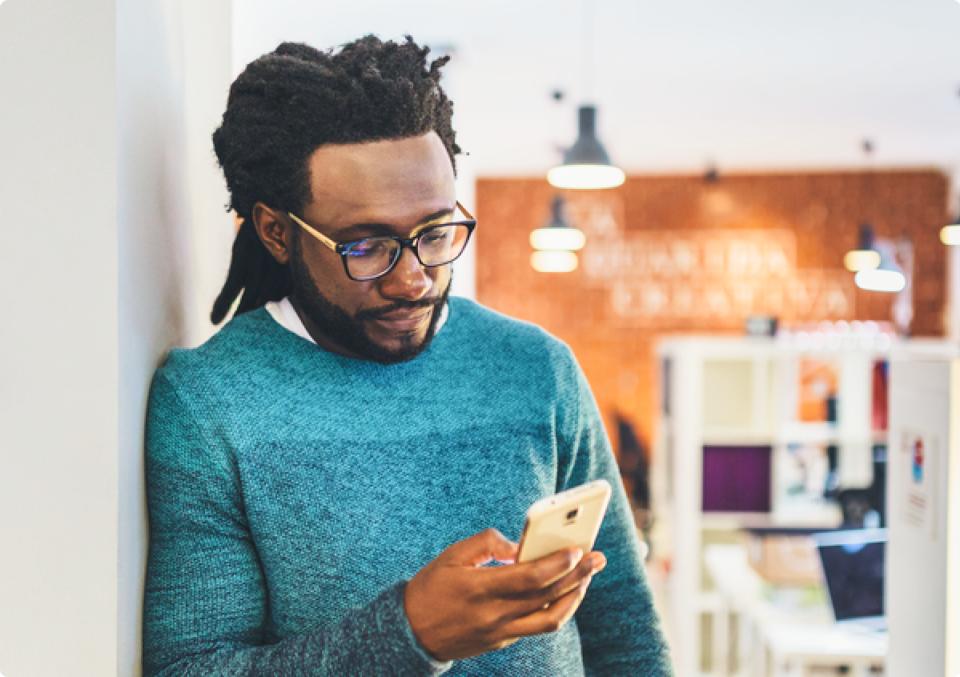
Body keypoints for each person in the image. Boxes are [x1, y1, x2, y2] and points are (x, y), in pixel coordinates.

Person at [142, 35, 671, 676]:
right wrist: (411, 633)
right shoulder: (209, 405)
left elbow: (627, 637)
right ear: (277, 232)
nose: (414, 279)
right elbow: (192, 668)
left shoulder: (536, 370)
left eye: (436, 231)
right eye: (367, 246)